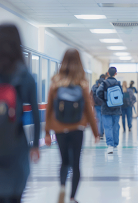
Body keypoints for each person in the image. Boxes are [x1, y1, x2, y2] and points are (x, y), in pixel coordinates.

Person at [0, 24, 40, 203]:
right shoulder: (24, 76)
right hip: (16, 144)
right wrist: (35, 145)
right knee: (15, 197)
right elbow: (35, 114)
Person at [45, 48, 100, 203]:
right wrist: (96, 132)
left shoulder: (55, 81)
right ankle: (72, 197)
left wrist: (47, 132)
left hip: (59, 127)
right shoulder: (82, 82)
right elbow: (88, 110)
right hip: (77, 128)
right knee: (76, 163)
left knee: (64, 161)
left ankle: (62, 186)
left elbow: (49, 108)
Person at [97, 67, 123, 154]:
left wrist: (105, 100)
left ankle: (110, 145)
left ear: (108, 73)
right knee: (116, 126)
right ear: (116, 73)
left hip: (106, 108)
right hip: (116, 108)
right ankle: (115, 143)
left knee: (108, 127)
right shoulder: (118, 83)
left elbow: (98, 93)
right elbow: (121, 94)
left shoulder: (104, 83)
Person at [91, 74, 105, 139]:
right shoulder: (104, 87)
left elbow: (90, 95)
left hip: (96, 105)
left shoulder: (94, 87)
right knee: (102, 119)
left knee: (98, 120)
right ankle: (101, 133)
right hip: (102, 105)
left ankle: (99, 133)